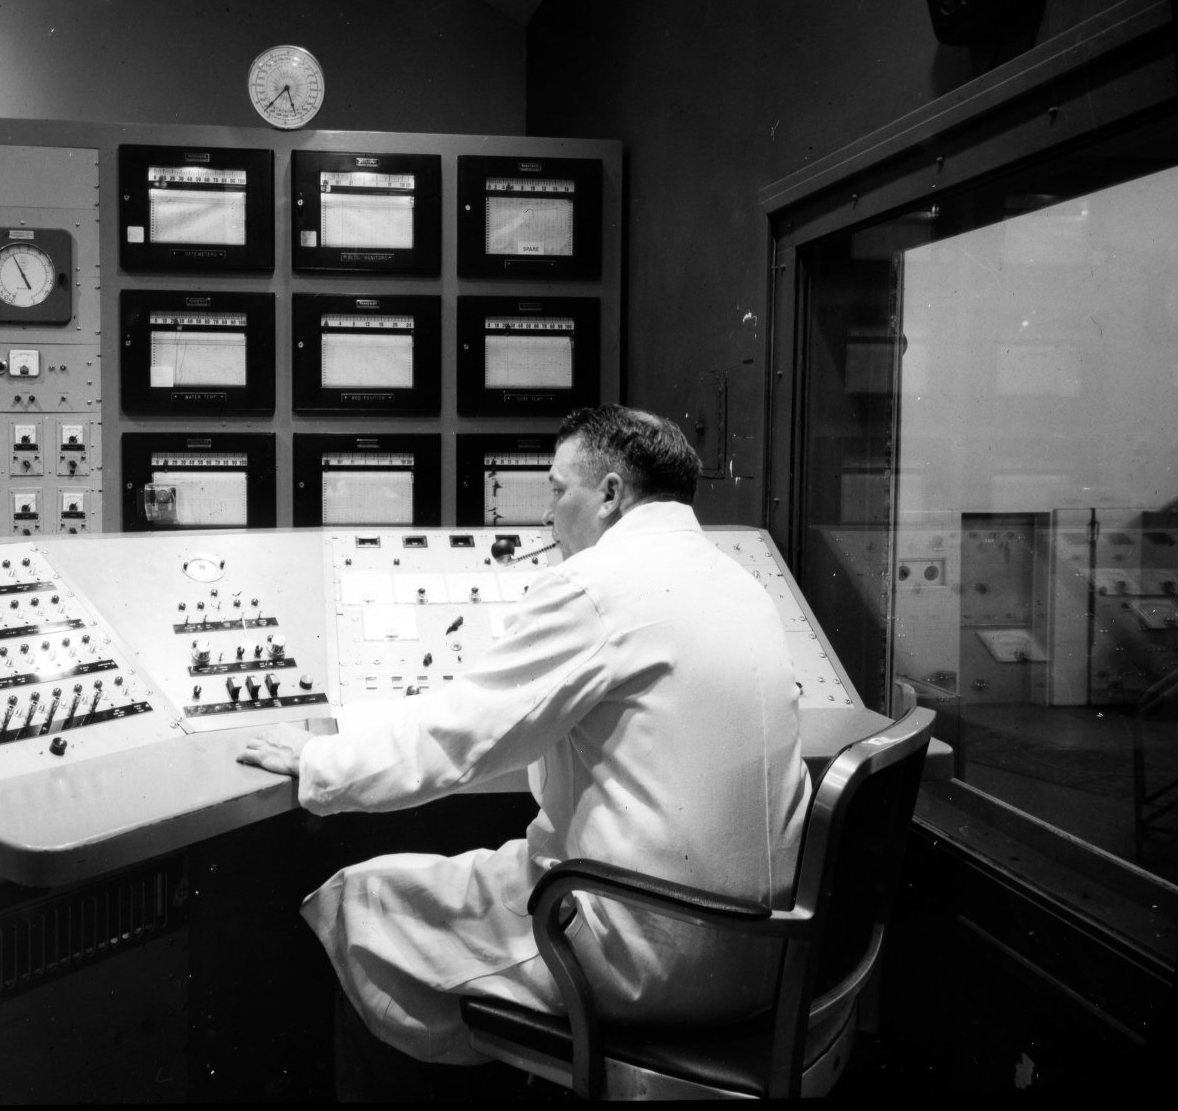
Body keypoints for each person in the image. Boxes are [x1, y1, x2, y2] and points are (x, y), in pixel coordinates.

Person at [239, 405, 811, 1091]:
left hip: (644, 953)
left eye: (555, 489)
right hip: (763, 952)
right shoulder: (740, 583)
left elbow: (455, 739)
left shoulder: (595, 587)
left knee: (359, 903)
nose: (546, 515)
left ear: (608, 493)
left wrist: (318, 762)